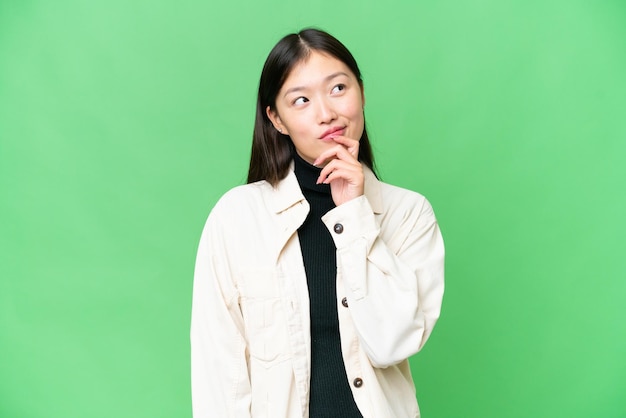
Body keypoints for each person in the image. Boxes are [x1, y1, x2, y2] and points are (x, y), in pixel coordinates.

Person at [191, 28, 445, 418]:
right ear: (276, 118)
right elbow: (219, 370)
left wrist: (354, 215)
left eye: (339, 88)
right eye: (302, 100)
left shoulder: (409, 214)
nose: (327, 113)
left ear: (361, 91)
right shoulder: (236, 218)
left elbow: (391, 343)